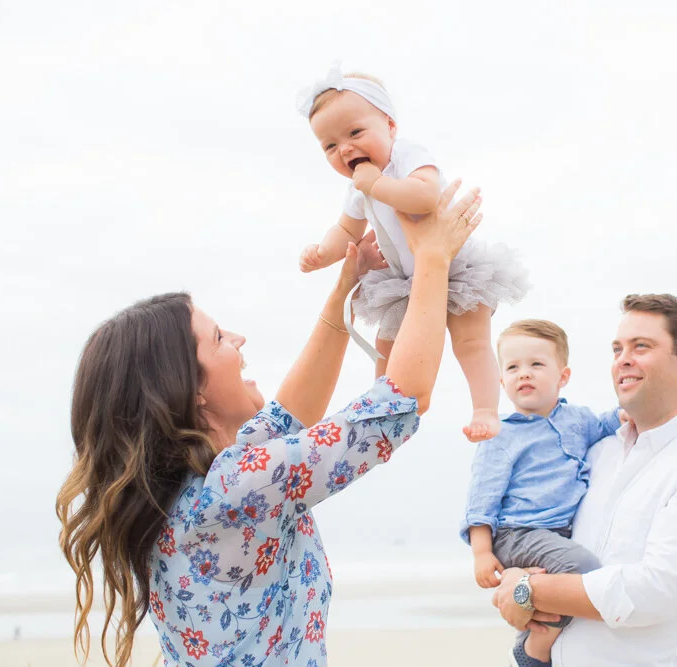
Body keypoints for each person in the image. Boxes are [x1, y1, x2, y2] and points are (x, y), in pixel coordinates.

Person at [55, 182, 482, 667]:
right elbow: (399, 402)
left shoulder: (197, 487)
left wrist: (345, 287)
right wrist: (433, 258)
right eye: (218, 338)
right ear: (189, 391)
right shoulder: (232, 489)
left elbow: (289, 417)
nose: (238, 339)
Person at [492, 294, 677, 667]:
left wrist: (527, 590)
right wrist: (516, 577)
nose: (623, 359)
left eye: (641, 346)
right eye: (617, 349)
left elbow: (653, 592)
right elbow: (544, 536)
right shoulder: (596, 453)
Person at [295, 62, 529, 442]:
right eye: (331, 146)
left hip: (456, 266)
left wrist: (377, 183)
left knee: (470, 342)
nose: (346, 148)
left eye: (355, 132)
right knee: (389, 346)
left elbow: (424, 197)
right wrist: (323, 253)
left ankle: (485, 408)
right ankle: (382, 408)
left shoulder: (406, 155)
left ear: (390, 126)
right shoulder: (357, 187)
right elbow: (346, 229)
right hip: (407, 279)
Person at [462, 319, 625, 666]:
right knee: (585, 570)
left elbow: (608, 422)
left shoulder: (578, 421)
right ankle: (535, 647)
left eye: (536, 364)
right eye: (513, 367)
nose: (524, 374)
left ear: (562, 376)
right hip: (517, 533)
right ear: (502, 380)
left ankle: (536, 634)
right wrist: (481, 553)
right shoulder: (501, 435)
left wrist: (630, 411)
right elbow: (482, 498)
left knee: (566, 581)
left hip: (555, 534)